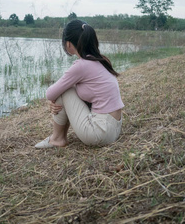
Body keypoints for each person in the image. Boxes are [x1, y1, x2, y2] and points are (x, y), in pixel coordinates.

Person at [35, 19, 124, 148]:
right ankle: (58, 138)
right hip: (114, 129)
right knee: (66, 89)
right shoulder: (101, 60)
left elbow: (50, 93)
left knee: (64, 90)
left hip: (99, 133)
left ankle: (57, 139)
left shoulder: (81, 65)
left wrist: (54, 99)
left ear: (69, 44)